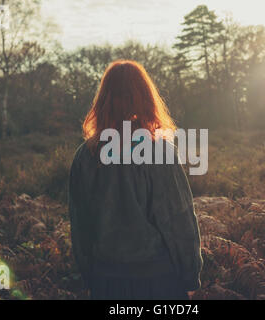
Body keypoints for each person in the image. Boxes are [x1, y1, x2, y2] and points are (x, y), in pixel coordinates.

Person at [68, 60, 202, 300]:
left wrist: (90, 278)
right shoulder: (159, 150)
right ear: (145, 98)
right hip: (159, 281)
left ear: (103, 100)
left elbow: (80, 226)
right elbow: (179, 220)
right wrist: (190, 276)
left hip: (106, 281)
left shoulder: (85, 155)